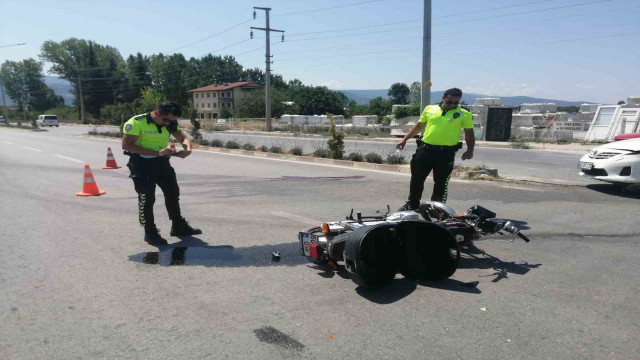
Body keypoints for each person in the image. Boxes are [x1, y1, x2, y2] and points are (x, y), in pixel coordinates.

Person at [122, 101, 202, 245]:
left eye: (172, 121)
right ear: (157, 112)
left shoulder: (169, 122)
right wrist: (155, 152)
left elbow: (182, 138)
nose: (168, 124)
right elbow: (127, 145)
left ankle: (178, 226)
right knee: (147, 199)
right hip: (141, 164)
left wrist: (187, 149)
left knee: (173, 193)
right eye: (166, 120)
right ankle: (150, 232)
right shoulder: (136, 122)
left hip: (161, 162)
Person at [396, 88, 475, 210]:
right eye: (449, 102)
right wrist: (404, 139)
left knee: (441, 183)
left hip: (446, 153)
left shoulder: (464, 113)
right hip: (425, 150)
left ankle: (436, 208)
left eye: (456, 103)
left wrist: (470, 149)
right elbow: (418, 126)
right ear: (443, 98)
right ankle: (412, 205)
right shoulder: (430, 109)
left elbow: (469, 133)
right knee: (416, 179)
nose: (452, 105)